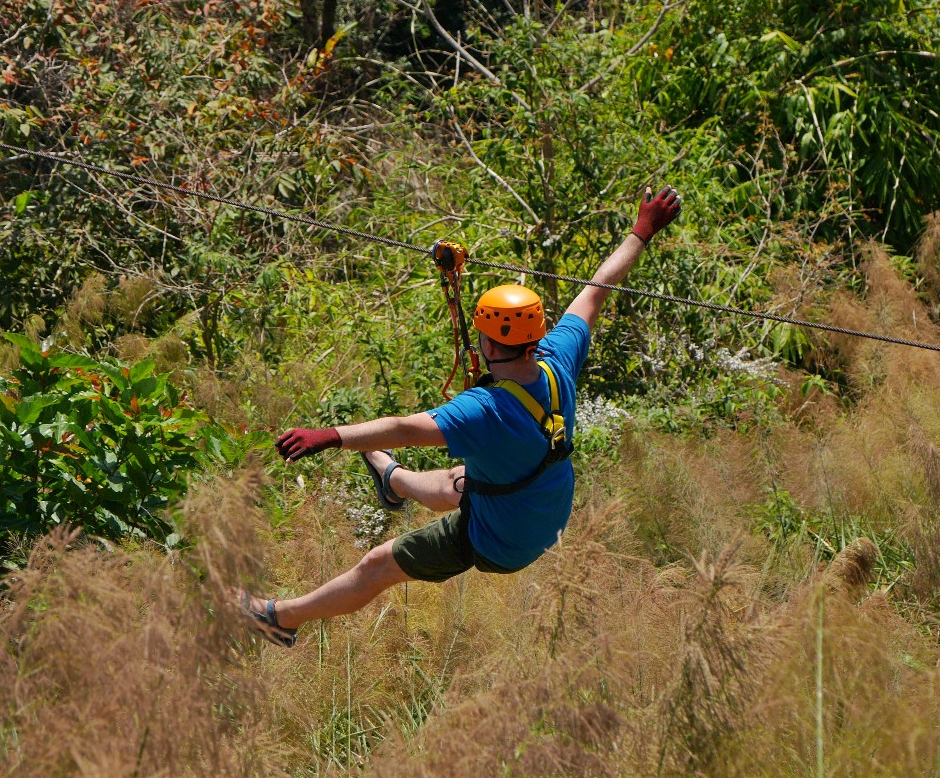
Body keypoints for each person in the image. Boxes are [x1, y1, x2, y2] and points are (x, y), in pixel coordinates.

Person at [240, 187, 682, 647]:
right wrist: (641, 231)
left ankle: (280, 619)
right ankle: (392, 479)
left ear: (488, 346)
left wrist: (331, 435)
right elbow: (596, 289)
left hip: (500, 543)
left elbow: (405, 428)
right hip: (547, 510)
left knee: (378, 564)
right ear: (537, 331)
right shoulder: (556, 360)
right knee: (462, 476)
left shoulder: (485, 411)